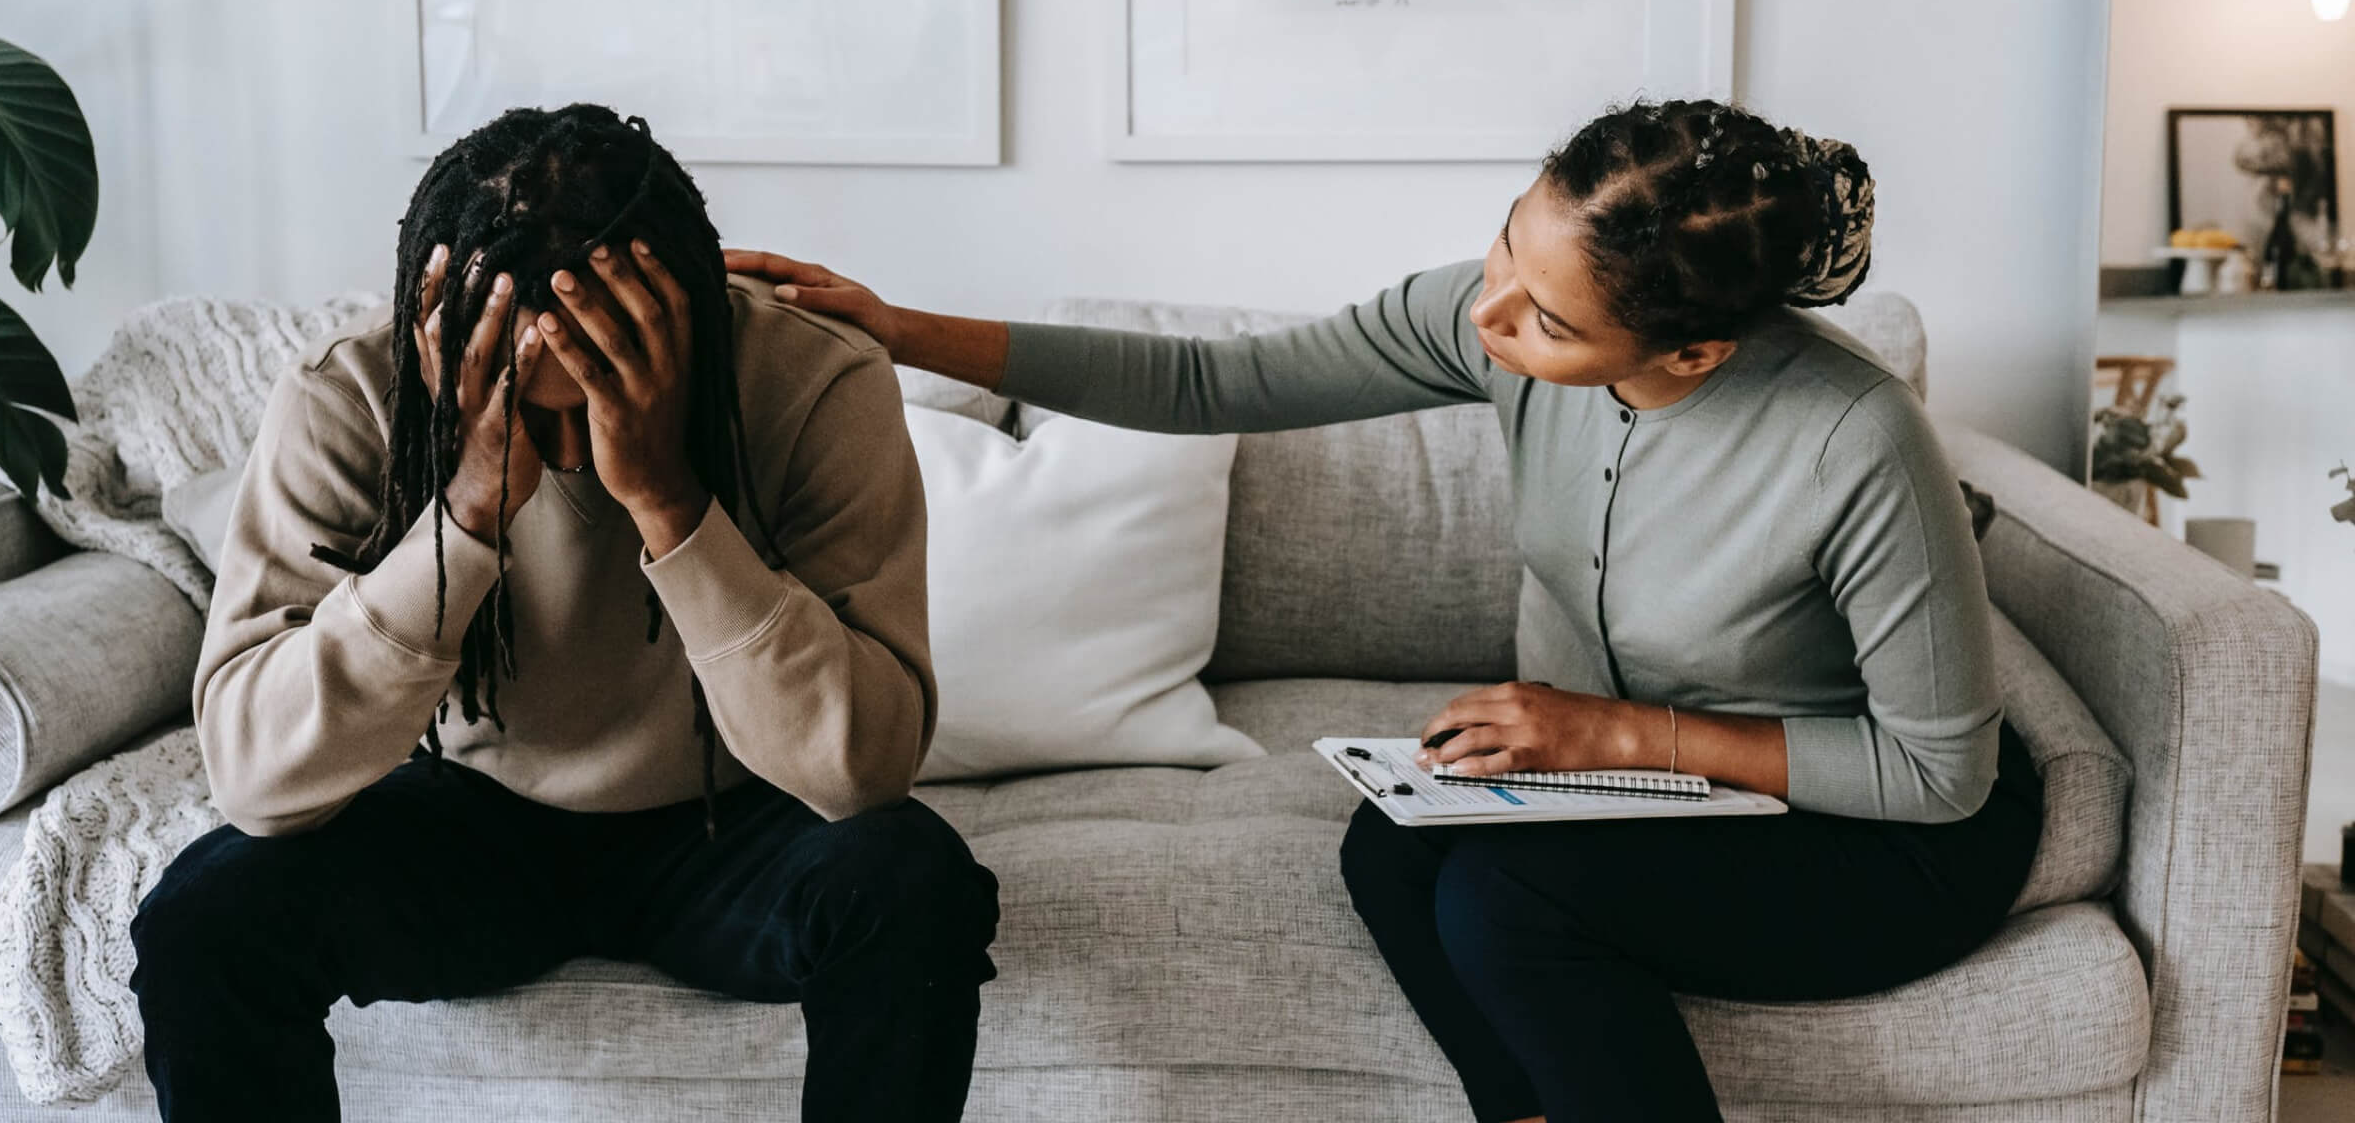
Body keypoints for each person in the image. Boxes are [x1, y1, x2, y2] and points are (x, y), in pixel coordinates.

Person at [724, 98, 2043, 1123]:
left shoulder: (1857, 437)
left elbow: (1939, 776)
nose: (1489, 315)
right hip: (1668, 798)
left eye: (1545, 321)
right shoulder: (1496, 318)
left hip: (1873, 839)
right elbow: (1213, 383)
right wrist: (898, 330)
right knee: (1393, 848)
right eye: (1506, 245)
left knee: (1505, 901)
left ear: (1693, 351)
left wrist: (1613, 735)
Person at [131, 104, 997, 1123]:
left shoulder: (815, 377)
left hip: (737, 811)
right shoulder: (349, 394)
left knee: (913, 882)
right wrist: (465, 512)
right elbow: (254, 778)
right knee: (202, 918)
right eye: (535, 410)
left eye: (604, 392)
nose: (576, 455)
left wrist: (671, 501)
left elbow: (867, 769)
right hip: (471, 812)